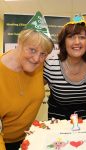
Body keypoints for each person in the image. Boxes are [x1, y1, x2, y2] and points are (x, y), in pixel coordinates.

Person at [0, 11, 54, 150]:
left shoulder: (39, 66)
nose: (36, 59)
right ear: (19, 43)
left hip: (29, 137)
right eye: (32, 50)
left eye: (43, 54)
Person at [44, 15, 86, 120]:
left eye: (82, 37)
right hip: (57, 125)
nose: (77, 42)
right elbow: (30, 88)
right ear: (63, 42)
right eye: (71, 37)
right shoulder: (51, 64)